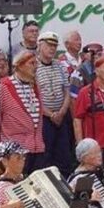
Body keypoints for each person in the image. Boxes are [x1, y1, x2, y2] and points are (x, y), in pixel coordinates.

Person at [0, 51, 46, 175]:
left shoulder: (35, 87)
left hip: (37, 148)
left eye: (36, 63)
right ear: (19, 65)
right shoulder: (4, 86)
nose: (35, 67)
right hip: (15, 150)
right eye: (31, 63)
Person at [36, 31, 74, 177]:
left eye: (54, 46)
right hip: (44, 118)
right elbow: (35, 96)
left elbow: (67, 90)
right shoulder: (34, 67)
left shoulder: (60, 65)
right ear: (40, 45)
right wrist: (50, 114)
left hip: (61, 117)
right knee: (46, 156)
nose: (52, 49)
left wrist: (62, 111)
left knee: (64, 155)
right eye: (48, 45)